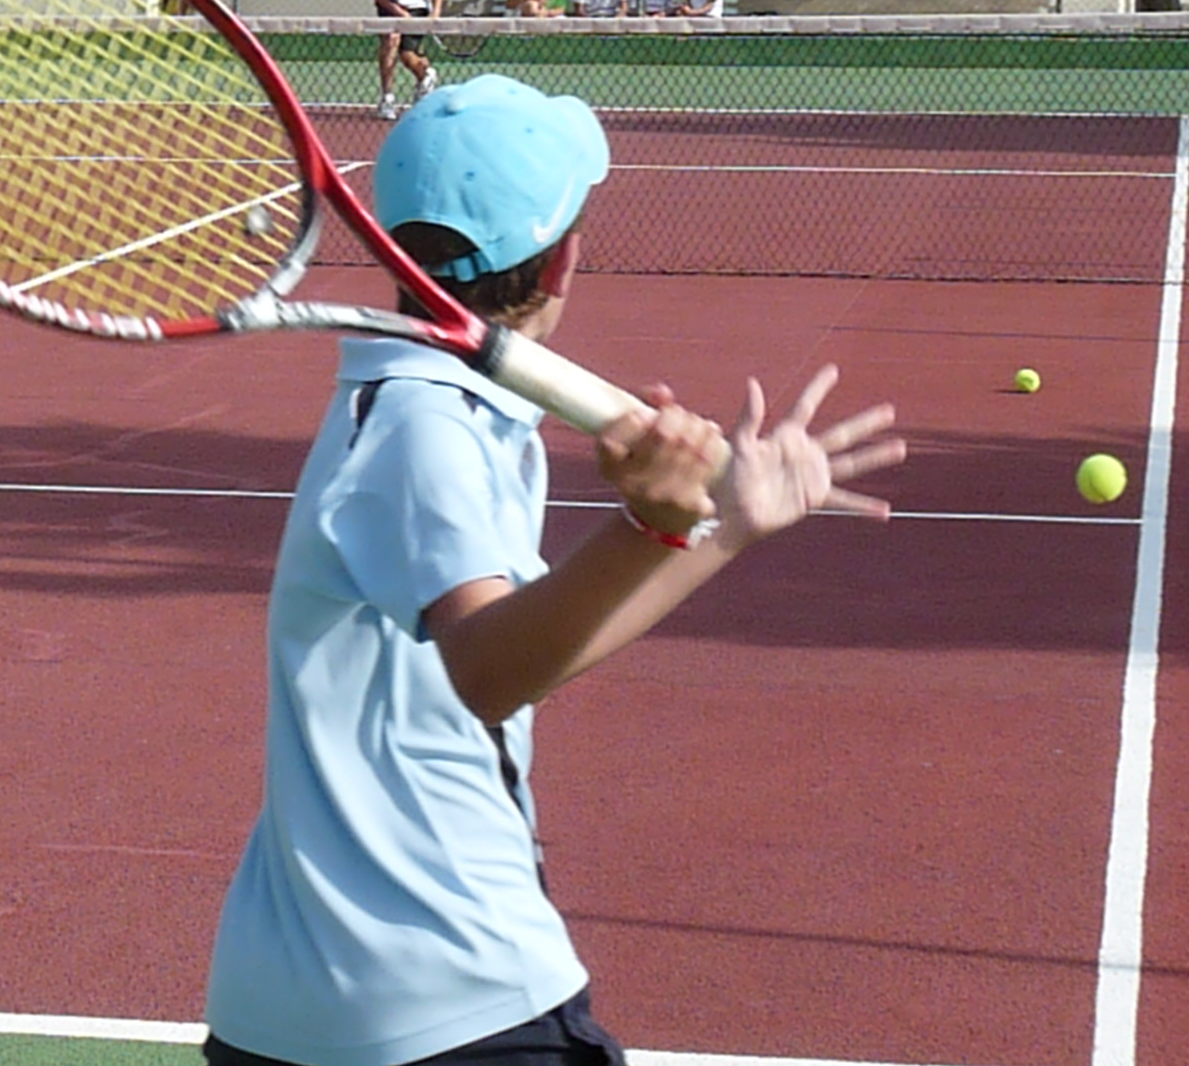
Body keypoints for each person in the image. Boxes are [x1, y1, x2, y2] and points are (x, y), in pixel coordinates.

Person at [201, 74, 904, 1066]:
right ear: (563, 256)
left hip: (297, 1002)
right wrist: (646, 527)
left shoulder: (421, 406)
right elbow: (490, 670)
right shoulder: (420, 426)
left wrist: (722, 527)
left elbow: (530, 643)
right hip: (446, 988)